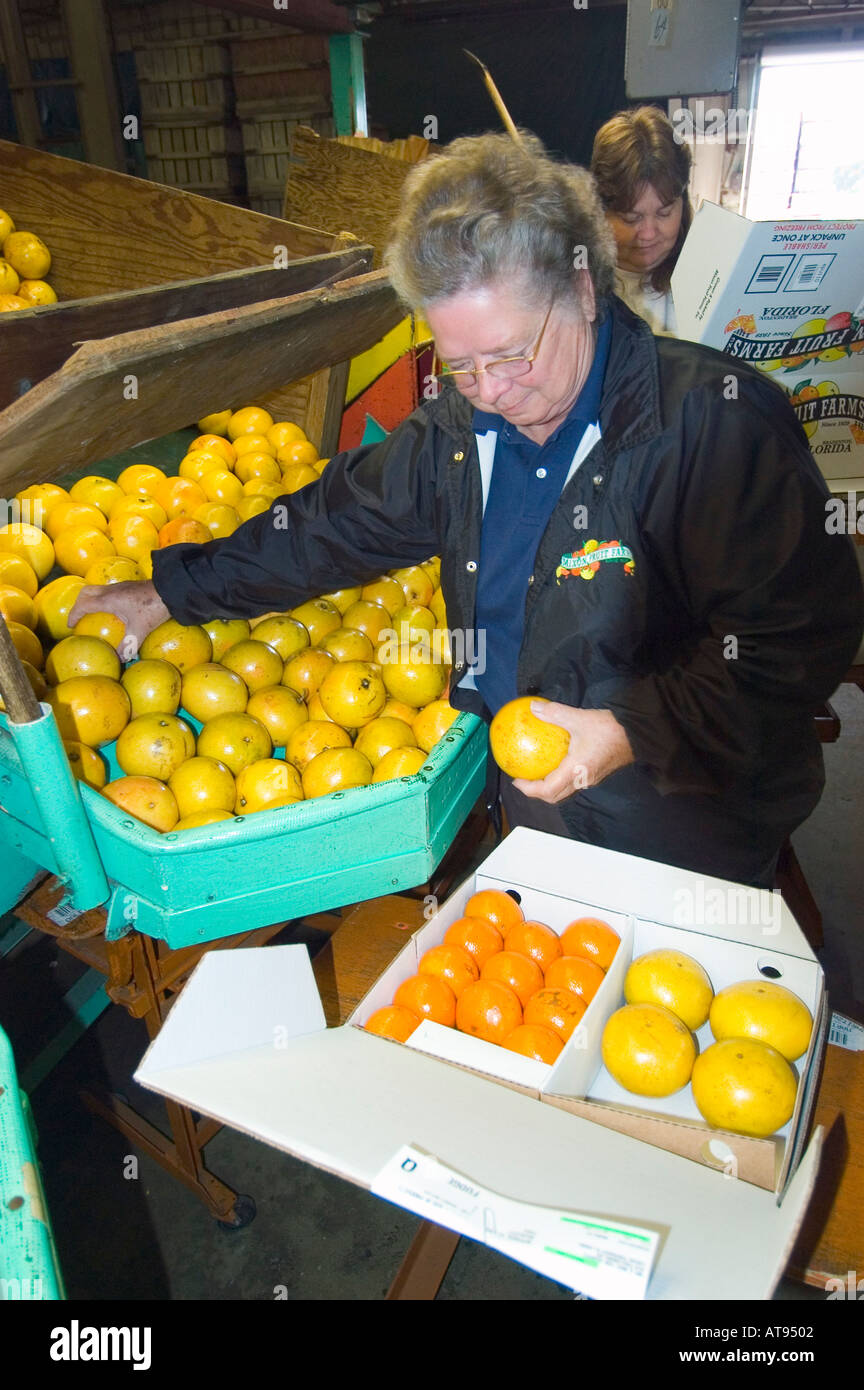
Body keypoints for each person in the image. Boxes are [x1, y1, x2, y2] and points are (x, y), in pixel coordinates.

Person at [69, 131, 863, 889]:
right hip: (521, 807)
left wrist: (630, 729)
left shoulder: (712, 427)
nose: (491, 391)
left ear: (583, 289)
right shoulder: (460, 431)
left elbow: (792, 642)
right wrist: (172, 590)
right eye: (461, 365)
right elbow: (333, 525)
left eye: (512, 354)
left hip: (679, 827)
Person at [590, 105, 692, 337]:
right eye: (631, 218)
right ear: (600, 211)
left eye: (664, 213)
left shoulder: (706, 275)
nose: (647, 234)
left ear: (682, 205)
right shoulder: (577, 282)